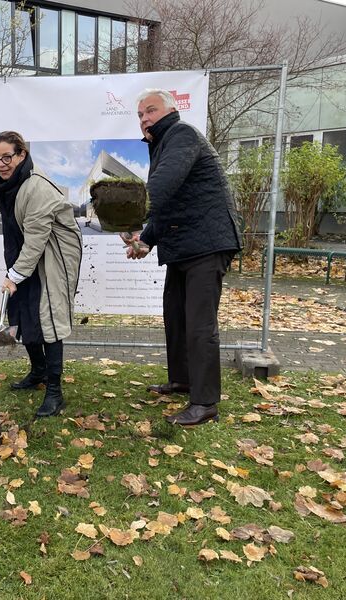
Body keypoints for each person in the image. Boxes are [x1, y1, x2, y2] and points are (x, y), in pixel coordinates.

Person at [124, 89, 241, 426]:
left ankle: (205, 404)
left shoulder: (181, 134)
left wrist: (131, 216)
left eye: (150, 110)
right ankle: (183, 380)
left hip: (207, 243)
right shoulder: (163, 144)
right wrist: (144, 240)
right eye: (140, 114)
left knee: (199, 324)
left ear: (170, 110)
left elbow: (162, 187)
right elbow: (169, 202)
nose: (144, 118)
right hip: (186, 244)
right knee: (176, 316)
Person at [0, 131, 83, 418]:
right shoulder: (7, 184)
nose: (1, 164)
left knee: (49, 320)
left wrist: (15, 275)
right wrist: (15, 271)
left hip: (54, 257)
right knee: (24, 313)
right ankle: (38, 372)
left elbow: (38, 239)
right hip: (26, 254)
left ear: (22, 155)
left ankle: (55, 393)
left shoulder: (37, 188)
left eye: (7, 157)